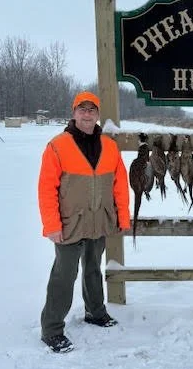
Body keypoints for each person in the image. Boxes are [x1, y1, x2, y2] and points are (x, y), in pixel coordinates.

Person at [38, 91, 131, 352]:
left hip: (99, 218)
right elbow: (46, 188)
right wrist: (52, 225)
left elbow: (119, 185)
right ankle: (52, 329)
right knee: (64, 275)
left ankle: (95, 312)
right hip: (69, 222)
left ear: (98, 114)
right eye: (82, 109)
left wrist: (122, 217)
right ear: (74, 112)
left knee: (93, 269)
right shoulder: (57, 145)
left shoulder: (110, 147)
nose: (87, 113)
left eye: (92, 109)